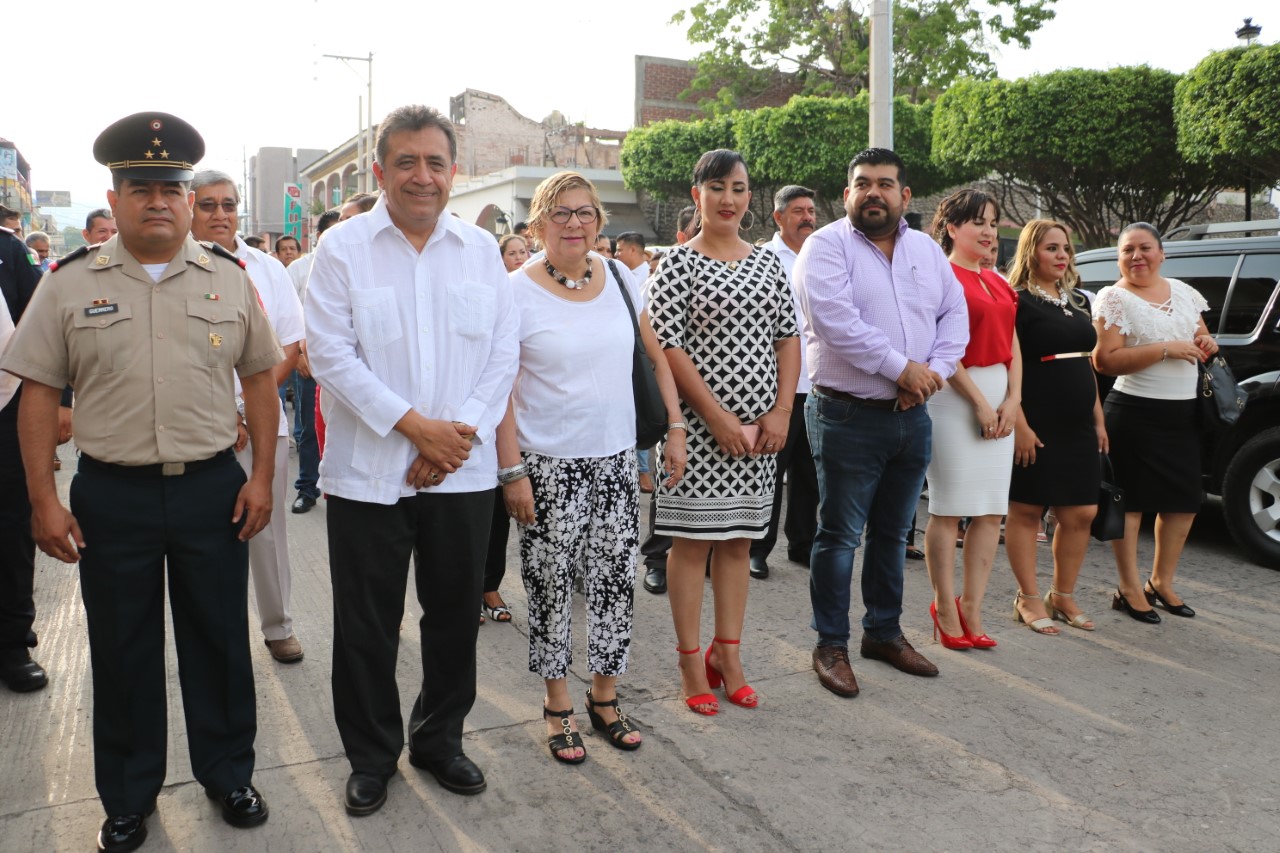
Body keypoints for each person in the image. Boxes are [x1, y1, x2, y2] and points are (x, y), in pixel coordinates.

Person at [1, 112, 279, 851]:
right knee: (122, 649)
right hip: (111, 494)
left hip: (211, 488)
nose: (157, 200)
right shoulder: (66, 284)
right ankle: (127, 794)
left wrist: (263, 479)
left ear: (190, 200)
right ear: (114, 197)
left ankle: (229, 775)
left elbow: (259, 379)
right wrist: (43, 499)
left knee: (219, 642)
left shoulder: (228, 278)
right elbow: (36, 394)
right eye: (139, 187)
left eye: (171, 188)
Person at [305, 104, 517, 816]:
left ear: (453, 172)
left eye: (435, 162)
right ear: (380, 171)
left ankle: (439, 737)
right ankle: (370, 755)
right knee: (366, 621)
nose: (421, 176)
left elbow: (500, 353)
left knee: (454, 612)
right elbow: (331, 356)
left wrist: (455, 437)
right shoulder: (343, 249)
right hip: (369, 473)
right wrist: (415, 429)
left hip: (464, 470)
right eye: (406, 162)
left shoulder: (480, 251)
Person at [498, 171, 684, 758]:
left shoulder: (622, 278)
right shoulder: (514, 291)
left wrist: (673, 429)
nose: (574, 224)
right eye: (560, 213)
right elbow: (499, 388)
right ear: (538, 225)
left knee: (612, 584)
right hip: (547, 465)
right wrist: (512, 472)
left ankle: (605, 699)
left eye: (585, 213)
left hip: (615, 462)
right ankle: (558, 706)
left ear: (598, 222)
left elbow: (654, 357)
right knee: (550, 588)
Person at [794, 147, 968, 698]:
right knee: (840, 535)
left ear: (905, 196)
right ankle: (831, 644)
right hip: (846, 413)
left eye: (886, 184)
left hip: (913, 415)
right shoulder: (825, 247)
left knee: (894, 534)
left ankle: (884, 633)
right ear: (846, 194)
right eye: (863, 183)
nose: (874, 192)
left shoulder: (925, 251)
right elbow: (835, 321)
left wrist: (932, 374)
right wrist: (903, 369)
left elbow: (953, 316)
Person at [649, 149, 799, 715]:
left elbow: (788, 338)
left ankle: (727, 655)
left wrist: (782, 411)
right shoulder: (677, 265)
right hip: (700, 432)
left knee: (738, 544)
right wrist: (714, 419)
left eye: (739, 188)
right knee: (691, 547)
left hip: (761, 434)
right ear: (697, 196)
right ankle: (691, 659)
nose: (729, 199)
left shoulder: (767, 264)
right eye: (717, 188)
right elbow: (668, 347)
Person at [190, 169, 307, 663]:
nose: (221, 214)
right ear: (189, 208)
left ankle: (278, 625)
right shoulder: (172, 267)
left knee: (264, 528)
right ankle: (215, 637)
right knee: (201, 538)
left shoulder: (265, 268)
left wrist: (244, 408)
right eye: (209, 205)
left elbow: (289, 344)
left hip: (260, 425)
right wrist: (220, 412)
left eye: (229, 204)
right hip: (193, 426)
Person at [1092, 222, 1216, 624]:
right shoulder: (1114, 297)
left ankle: (1160, 582)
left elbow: (1200, 339)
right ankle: (1129, 588)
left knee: (1184, 503)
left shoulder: (1181, 291)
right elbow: (1104, 360)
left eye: (1145, 248)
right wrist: (1163, 349)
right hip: (1134, 413)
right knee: (1131, 505)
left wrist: (1207, 344)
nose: (1137, 257)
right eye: (1128, 250)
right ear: (1119, 257)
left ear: (1162, 254)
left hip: (1183, 414)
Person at [921, 189, 1019, 651]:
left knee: (991, 512)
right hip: (954, 398)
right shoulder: (941, 277)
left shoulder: (997, 280)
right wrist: (980, 402)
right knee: (949, 508)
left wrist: (1013, 399)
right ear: (952, 227)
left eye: (993, 222)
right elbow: (943, 349)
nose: (987, 231)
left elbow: (1013, 343)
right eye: (977, 222)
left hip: (1001, 395)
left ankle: (972, 608)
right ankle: (943, 604)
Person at [1005, 219, 1106, 634]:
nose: (1062, 255)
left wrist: (1098, 418)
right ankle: (1028, 598)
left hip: (1080, 421)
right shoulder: (1016, 301)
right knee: (1027, 509)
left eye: (1066, 248)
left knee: (1082, 510)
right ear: (1031, 252)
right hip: (1036, 417)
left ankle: (1062, 594)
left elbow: (1086, 361)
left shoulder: (1078, 300)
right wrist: (1020, 424)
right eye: (1051, 248)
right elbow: (1008, 365)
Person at [751, 184, 819, 579]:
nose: (807, 217)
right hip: (779, 386)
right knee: (771, 471)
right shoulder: (762, 259)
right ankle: (758, 548)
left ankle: (803, 543)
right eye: (798, 211)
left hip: (820, 383)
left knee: (810, 472)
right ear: (778, 217)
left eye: (811, 210)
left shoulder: (825, 255)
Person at [641, 204, 699, 595]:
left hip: (731, 401)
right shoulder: (666, 275)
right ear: (680, 236)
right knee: (671, 486)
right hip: (678, 400)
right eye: (696, 228)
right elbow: (661, 349)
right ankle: (658, 559)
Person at [0, 201, 45, 695]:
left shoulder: (8, 251)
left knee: (11, 528)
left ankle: (12, 641)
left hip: (6, 406)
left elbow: (43, 334)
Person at [285, 209, 340, 515]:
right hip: (310, 365)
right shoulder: (298, 269)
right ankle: (307, 487)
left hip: (349, 366)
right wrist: (299, 356)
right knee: (308, 429)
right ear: (320, 237)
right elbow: (287, 318)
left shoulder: (359, 263)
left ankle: (339, 487)